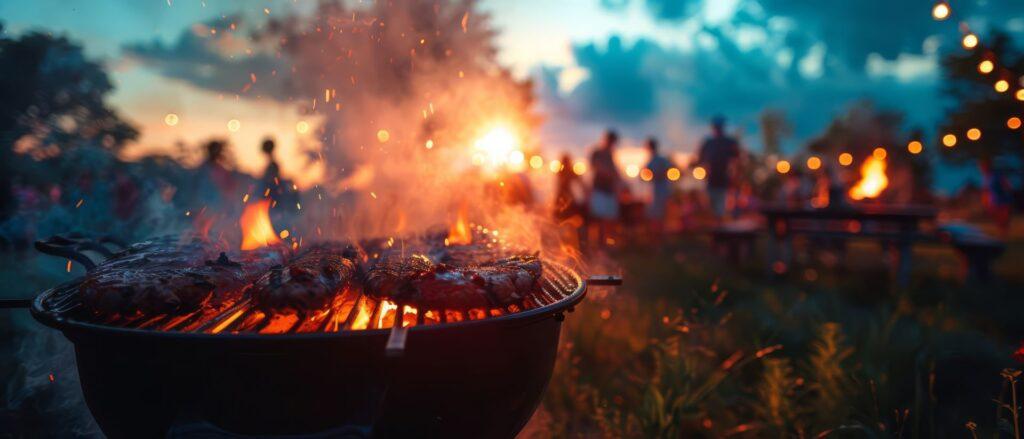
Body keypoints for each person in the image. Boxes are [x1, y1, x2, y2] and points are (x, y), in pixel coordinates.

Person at [697, 116, 741, 221]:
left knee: (721, 209)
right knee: (711, 208)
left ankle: (721, 231)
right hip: (711, 180)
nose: (718, 128)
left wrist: (734, 176)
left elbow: (736, 160)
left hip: (724, 180)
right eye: (716, 126)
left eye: (719, 126)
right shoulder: (708, 143)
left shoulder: (729, 143)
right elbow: (701, 161)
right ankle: (715, 232)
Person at [588, 129, 624, 247]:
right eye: (611, 141)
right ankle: (599, 245)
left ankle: (605, 244)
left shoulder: (610, 155)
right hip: (600, 190)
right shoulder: (597, 153)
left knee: (609, 219)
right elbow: (598, 168)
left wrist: (620, 184)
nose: (612, 144)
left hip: (609, 191)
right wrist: (611, 174)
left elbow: (615, 174)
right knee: (600, 219)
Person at [644, 137, 672, 237]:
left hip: (661, 190)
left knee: (659, 213)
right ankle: (656, 234)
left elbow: (670, 171)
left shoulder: (660, 160)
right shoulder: (651, 160)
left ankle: (659, 234)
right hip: (654, 190)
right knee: (654, 213)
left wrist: (657, 174)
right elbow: (644, 175)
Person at [979, 158, 1013, 236]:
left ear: (987, 166)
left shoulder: (996, 175)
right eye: (981, 167)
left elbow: (1007, 186)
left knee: (1003, 220)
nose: (981, 169)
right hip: (994, 202)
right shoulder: (987, 177)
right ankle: (1002, 234)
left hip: (1003, 201)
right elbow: (986, 190)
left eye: (983, 167)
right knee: (998, 220)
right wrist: (985, 201)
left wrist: (1005, 192)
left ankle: (1004, 234)